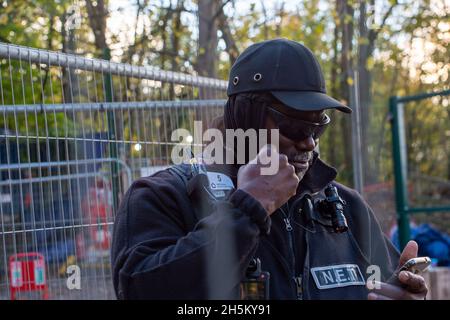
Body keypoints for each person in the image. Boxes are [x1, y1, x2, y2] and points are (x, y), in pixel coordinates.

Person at [111, 38, 428, 300]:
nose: (309, 144)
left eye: (318, 127)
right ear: (245, 115)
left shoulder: (345, 209)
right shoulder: (165, 196)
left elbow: (386, 287)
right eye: (294, 124)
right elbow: (140, 291)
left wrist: (407, 294)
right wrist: (247, 211)